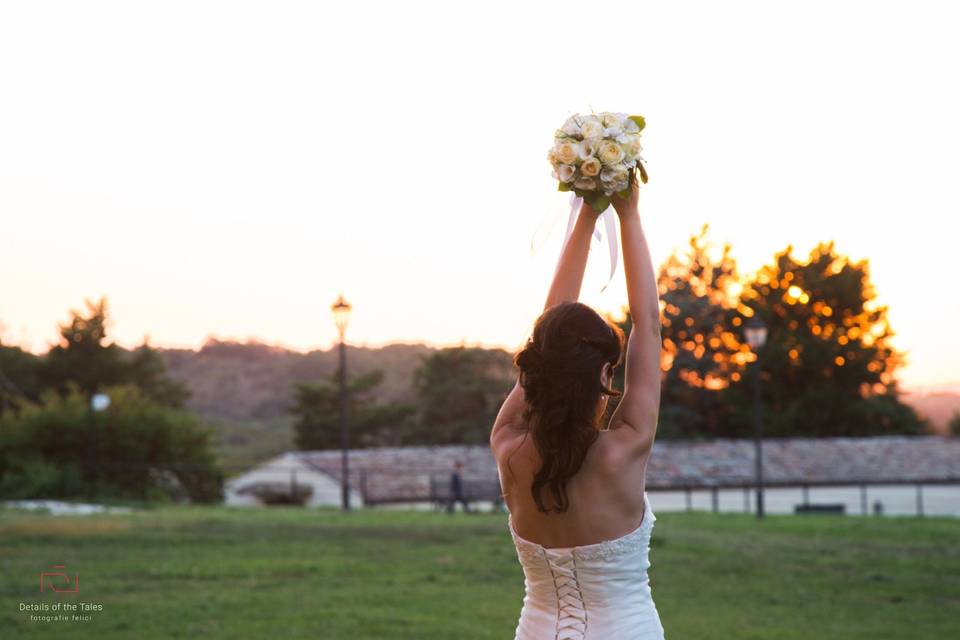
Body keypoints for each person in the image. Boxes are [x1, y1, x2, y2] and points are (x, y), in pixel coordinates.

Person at [490, 175, 665, 639]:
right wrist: (628, 215)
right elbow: (648, 326)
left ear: (538, 369)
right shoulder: (624, 448)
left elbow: (547, 334)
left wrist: (586, 217)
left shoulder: (507, 444)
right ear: (603, 379)